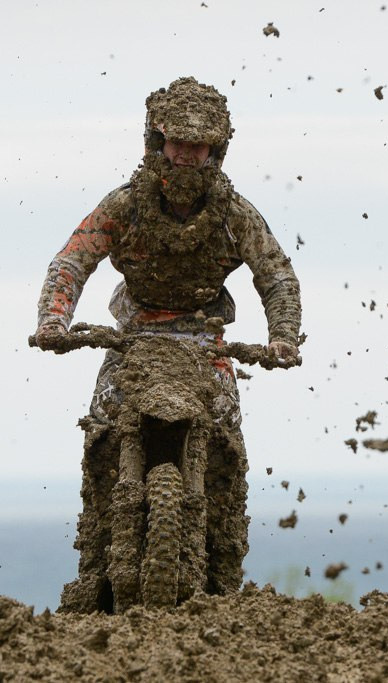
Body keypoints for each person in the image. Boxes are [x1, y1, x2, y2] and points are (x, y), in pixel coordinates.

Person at [33, 76, 302, 611]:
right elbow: (73, 258)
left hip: (206, 342)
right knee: (103, 433)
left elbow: (276, 274)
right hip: (133, 339)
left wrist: (284, 336)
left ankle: (223, 577)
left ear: (215, 150)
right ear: (156, 141)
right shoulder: (126, 205)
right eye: (177, 143)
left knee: (226, 440)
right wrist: (54, 320)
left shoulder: (234, 215)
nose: (185, 156)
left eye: (198, 146)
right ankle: (95, 565)